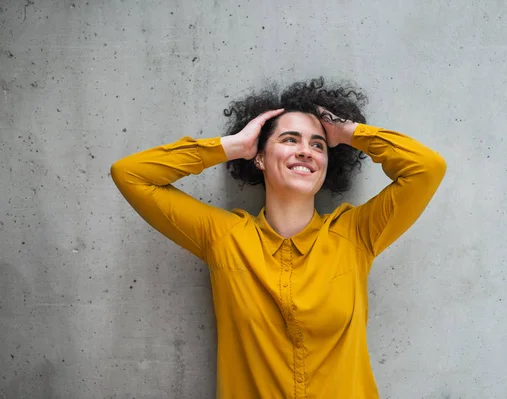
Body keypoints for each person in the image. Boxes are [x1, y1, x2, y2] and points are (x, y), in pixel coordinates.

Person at [110, 77, 446, 398]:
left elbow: (426, 168)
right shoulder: (224, 239)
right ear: (258, 156)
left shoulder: (357, 234)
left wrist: (348, 132)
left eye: (318, 144)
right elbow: (131, 175)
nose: (306, 151)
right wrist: (232, 146)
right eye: (290, 139)